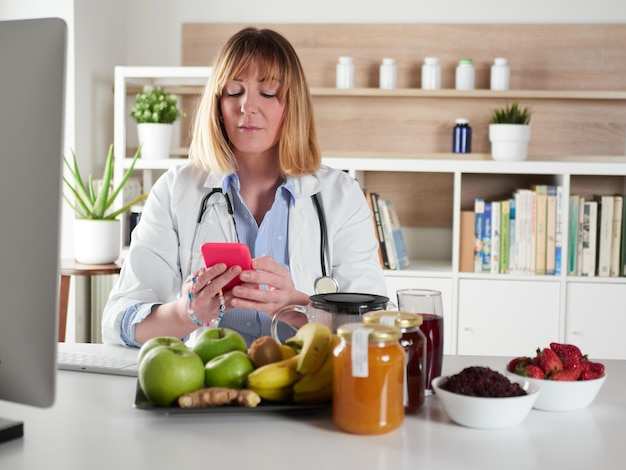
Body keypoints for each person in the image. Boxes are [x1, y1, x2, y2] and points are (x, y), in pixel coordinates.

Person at [102, 27, 386, 348]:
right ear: (217, 104)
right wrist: (188, 312)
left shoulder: (341, 196)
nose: (246, 106)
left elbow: (375, 329)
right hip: (207, 385)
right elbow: (118, 322)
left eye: (266, 93)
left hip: (307, 385)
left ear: (292, 105)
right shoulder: (174, 190)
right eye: (234, 91)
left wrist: (296, 307)